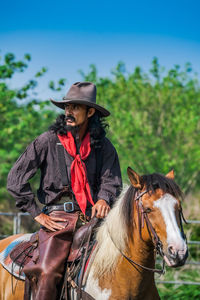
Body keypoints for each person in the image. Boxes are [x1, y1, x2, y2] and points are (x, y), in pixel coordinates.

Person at [7, 81, 122, 300]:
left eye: (75, 107)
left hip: (93, 219)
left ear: (90, 112)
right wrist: (37, 214)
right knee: (48, 272)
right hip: (57, 219)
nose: (68, 111)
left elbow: (111, 180)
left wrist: (104, 199)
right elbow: (16, 178)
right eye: (67, 107)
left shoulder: (104, 146)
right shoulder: (47, 141)